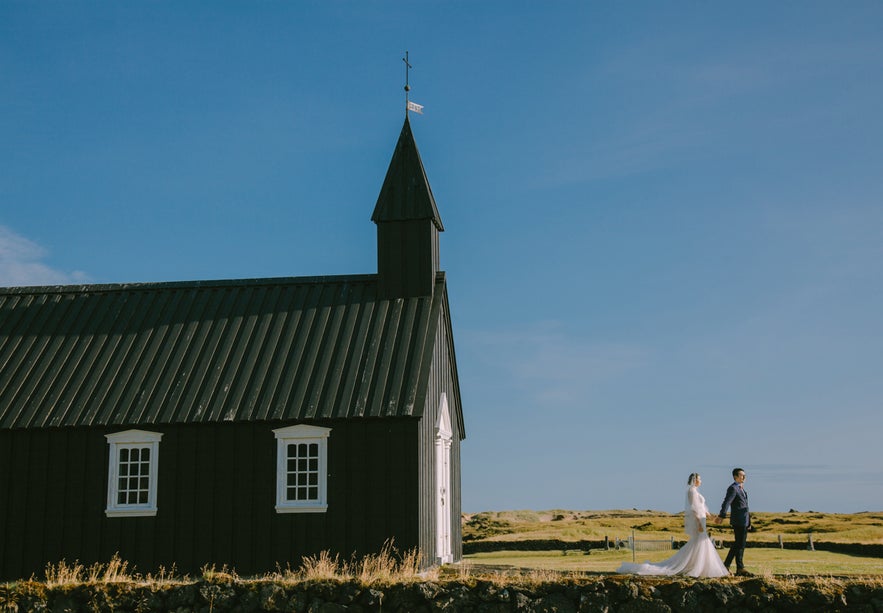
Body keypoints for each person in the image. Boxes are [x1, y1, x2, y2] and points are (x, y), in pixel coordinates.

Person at [617, 473, 729, 577]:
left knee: (699, 542)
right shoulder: (692, 491)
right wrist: (699, 523)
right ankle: (697, 567)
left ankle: (699, 566)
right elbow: (693, 509)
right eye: (699, 479)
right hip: (698, 520)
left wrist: (711, 518)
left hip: (702, 519)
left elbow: (702, 508)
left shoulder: (696, 492)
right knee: (700, 541)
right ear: (695, 480)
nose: (701, 481)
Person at [715, 467, 752, 576]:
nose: (744, 477)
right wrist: (722, 515)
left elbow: (746, 507)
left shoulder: (742, 489)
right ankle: (726, 566)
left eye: (744, 475)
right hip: (738, 521)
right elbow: (726, 502)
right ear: (735, 476)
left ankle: (740, 568)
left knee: (741, 544)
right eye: (741, 475)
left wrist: (749, 522)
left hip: (744, 521)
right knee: (738, 544)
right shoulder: (733, 488)